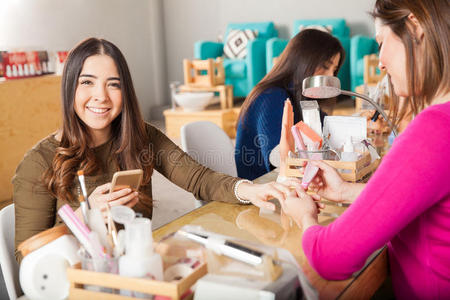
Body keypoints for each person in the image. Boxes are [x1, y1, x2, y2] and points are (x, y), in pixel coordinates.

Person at [13, 37, 301, 262]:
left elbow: (198, 179)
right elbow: (27, 257)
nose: (100, 96)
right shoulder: (38, 162)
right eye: (87, 82)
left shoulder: (141, 136)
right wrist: (85, 218)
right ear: (69, 88)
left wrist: (248, 190)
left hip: (135, 268)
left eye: (113, 85)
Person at [279, 0, 450, 299]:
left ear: (414, 26)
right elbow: (422, 201)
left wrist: (305, 217)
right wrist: (346, 191)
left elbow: (332, 257)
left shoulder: (434, 131)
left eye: (382, 42)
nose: (380, 61)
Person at [235, 29, 345, 180]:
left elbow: (325, 127)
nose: (331, 76)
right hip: (263, 188)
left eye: (334, 70)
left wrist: (360, 125)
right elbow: (278, 161)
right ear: (303, 60)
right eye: (326, 66)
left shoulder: (301, 96)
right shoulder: (272, 96)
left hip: (285, 184)